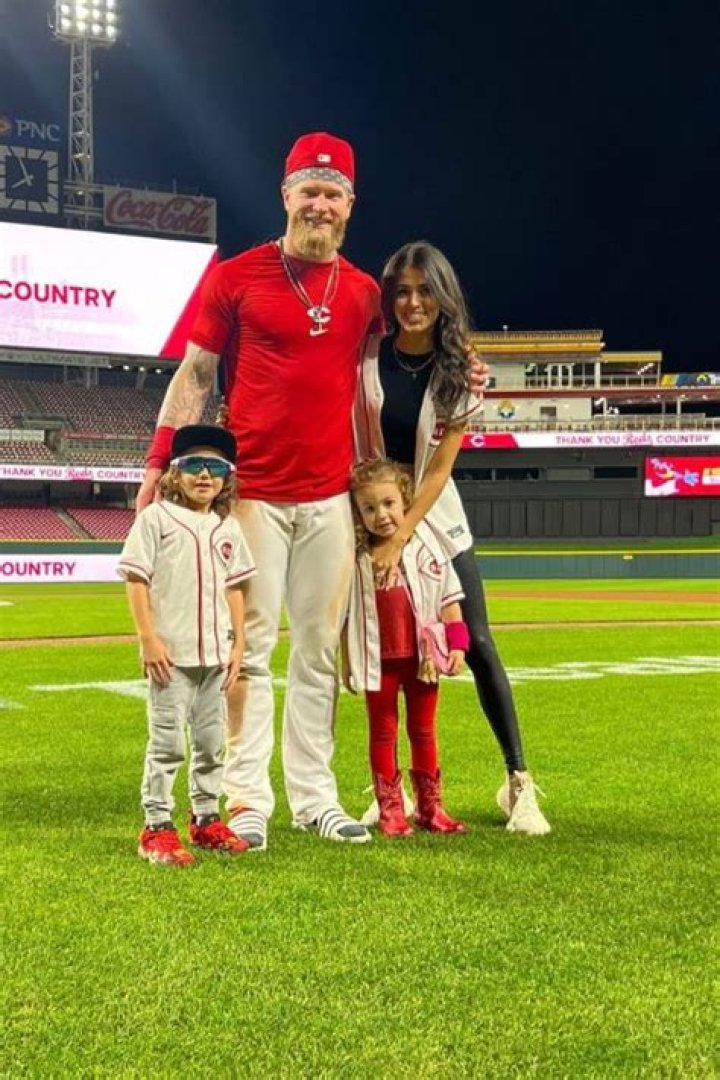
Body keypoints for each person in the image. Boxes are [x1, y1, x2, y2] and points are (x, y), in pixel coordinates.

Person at [137, 133, 488, 851]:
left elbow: (417, 341)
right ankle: (246, 798)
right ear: (286, 195)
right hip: (254, 494)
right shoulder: (236, 277)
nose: (320, 204)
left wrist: (466, 364)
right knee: (249, 648)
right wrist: (155, 466)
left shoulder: (363, 294)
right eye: (309, 190)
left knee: (320, 651)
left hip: (330, 497)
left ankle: (314, 798)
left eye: (333, 193)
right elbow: (196, 375)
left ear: (350, 205)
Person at [353, 241, 551, 835]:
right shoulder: (365, 355)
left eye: (425, 290)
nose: (413, 302)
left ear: (443, 296)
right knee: (380, 652)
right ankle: (388, 791)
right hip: (371, 517)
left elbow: (439, 469)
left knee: (480, 642)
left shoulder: (460, 371)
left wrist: (401, 539)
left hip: (433, 517)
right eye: (401, 291)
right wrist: (380, 534)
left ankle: (519, 782)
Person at [119, 424, 257, 865]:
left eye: (215, 468)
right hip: (171, 656)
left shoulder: (227, 526)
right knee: (167, 746)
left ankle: (205, 818)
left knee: (212, 743)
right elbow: (136, 579)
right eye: (194, 465)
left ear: (227, 477)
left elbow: (235, 589)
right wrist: (148, 638)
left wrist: (239, 644)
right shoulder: (156, 518)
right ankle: (156, 826)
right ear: (174, 474)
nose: (204, 475)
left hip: (216, 656)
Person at [342, 458, 469, 837]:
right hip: (378, 661)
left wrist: (458, 646)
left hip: (422, 661)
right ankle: (391, 810)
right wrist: (347, 661)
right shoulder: (356, 557)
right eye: (369, 508)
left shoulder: (427, 547)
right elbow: (346, 615)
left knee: (423, 730)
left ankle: (431, 808)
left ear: (405, 501)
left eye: (388, 504)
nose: (381, 515)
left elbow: (449, 599)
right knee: (383, 732)